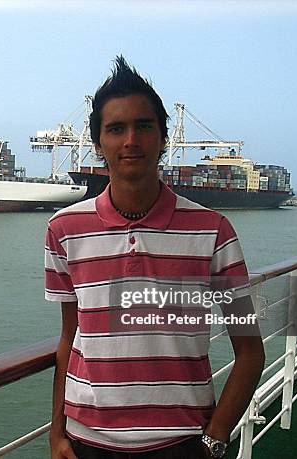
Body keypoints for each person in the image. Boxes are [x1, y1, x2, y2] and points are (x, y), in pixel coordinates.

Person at [44, 56, 265, 458]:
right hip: (85, 442)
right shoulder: (64, 230)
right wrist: (56, 433)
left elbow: (250, 351)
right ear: (98, 143)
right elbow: (69, 337)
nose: (131, 139)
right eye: (116, 128)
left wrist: (213, 442)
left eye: (144, 126)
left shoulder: (214, 232)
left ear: (164, 137)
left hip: (181, 443)